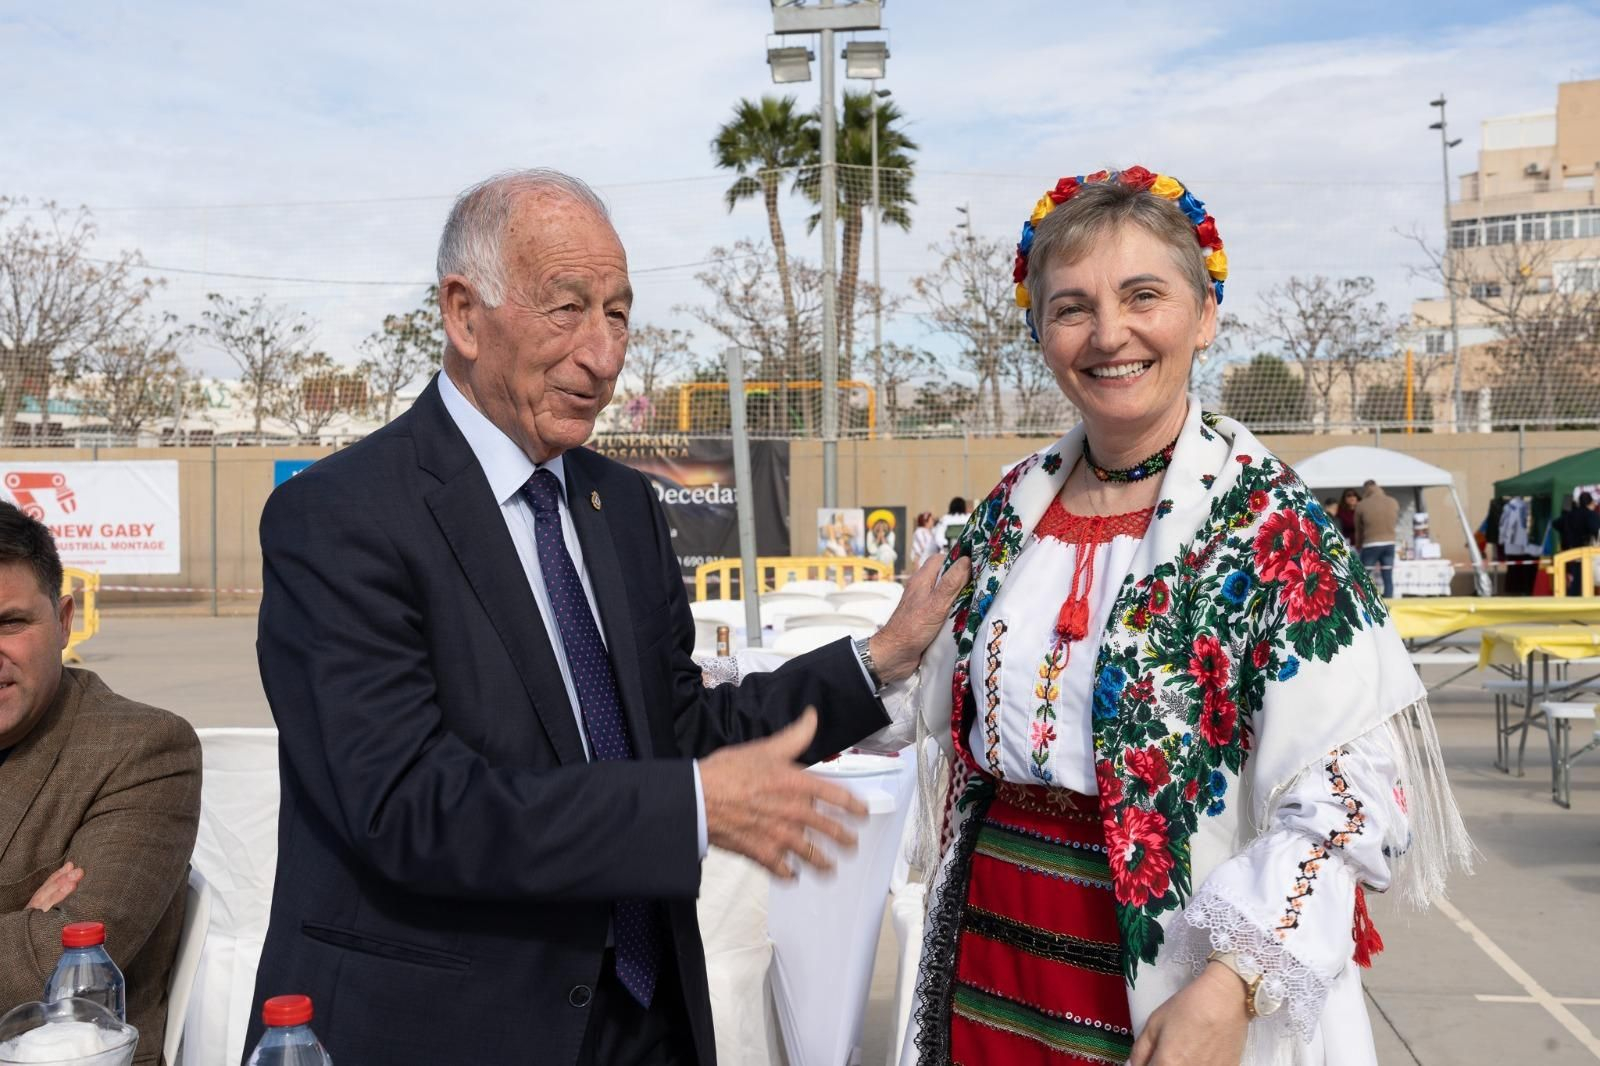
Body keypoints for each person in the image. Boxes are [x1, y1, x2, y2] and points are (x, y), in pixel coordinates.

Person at [246, 169, 967, 1066]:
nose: (604, 354)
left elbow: (677, 726)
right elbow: (408, 804)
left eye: (619, 313)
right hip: (450, 1026)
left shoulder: (620, 506)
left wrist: (879, 660)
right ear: (465, 316)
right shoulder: (342, 517)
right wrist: (687, 809)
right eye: (568, 309)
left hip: (645, 1014)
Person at [862, 168, 1468, 1066]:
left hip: (1177, 980)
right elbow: (933, 701)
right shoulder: (1008, 510)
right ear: (1039, 334)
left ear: (1205, 313)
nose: (1111, 334)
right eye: (1071, 308)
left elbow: (1347, 799)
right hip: (990, 953)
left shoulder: (1270, 528)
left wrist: (1232, 983)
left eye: (1144, 295)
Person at [0, 502, 201, 1065]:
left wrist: (40, 943)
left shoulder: (144, 750)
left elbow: (55, 970)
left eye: (9, 623)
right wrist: (21, 926)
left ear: (64, 621)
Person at [1353, 479, 1400, 598]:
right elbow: (1395, 520)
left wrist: (1358, 545)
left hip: (1371, 544)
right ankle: (1389, 601)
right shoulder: (1393, 501)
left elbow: (1358, 529)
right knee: (1387, 575)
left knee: (1363, 575)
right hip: (1390, 543)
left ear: (1366, 489)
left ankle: (1362, 600)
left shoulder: (1362, 505)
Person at [1556, 491, 1600, 594]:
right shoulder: (1591, 515)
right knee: (1586, 582)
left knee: (1574, 584)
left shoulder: (1570, 515)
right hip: (1587, 553)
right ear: (1590, 502)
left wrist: (1567, 533)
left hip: (1570, 553)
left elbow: (1556, 523)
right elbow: (1595, 530)